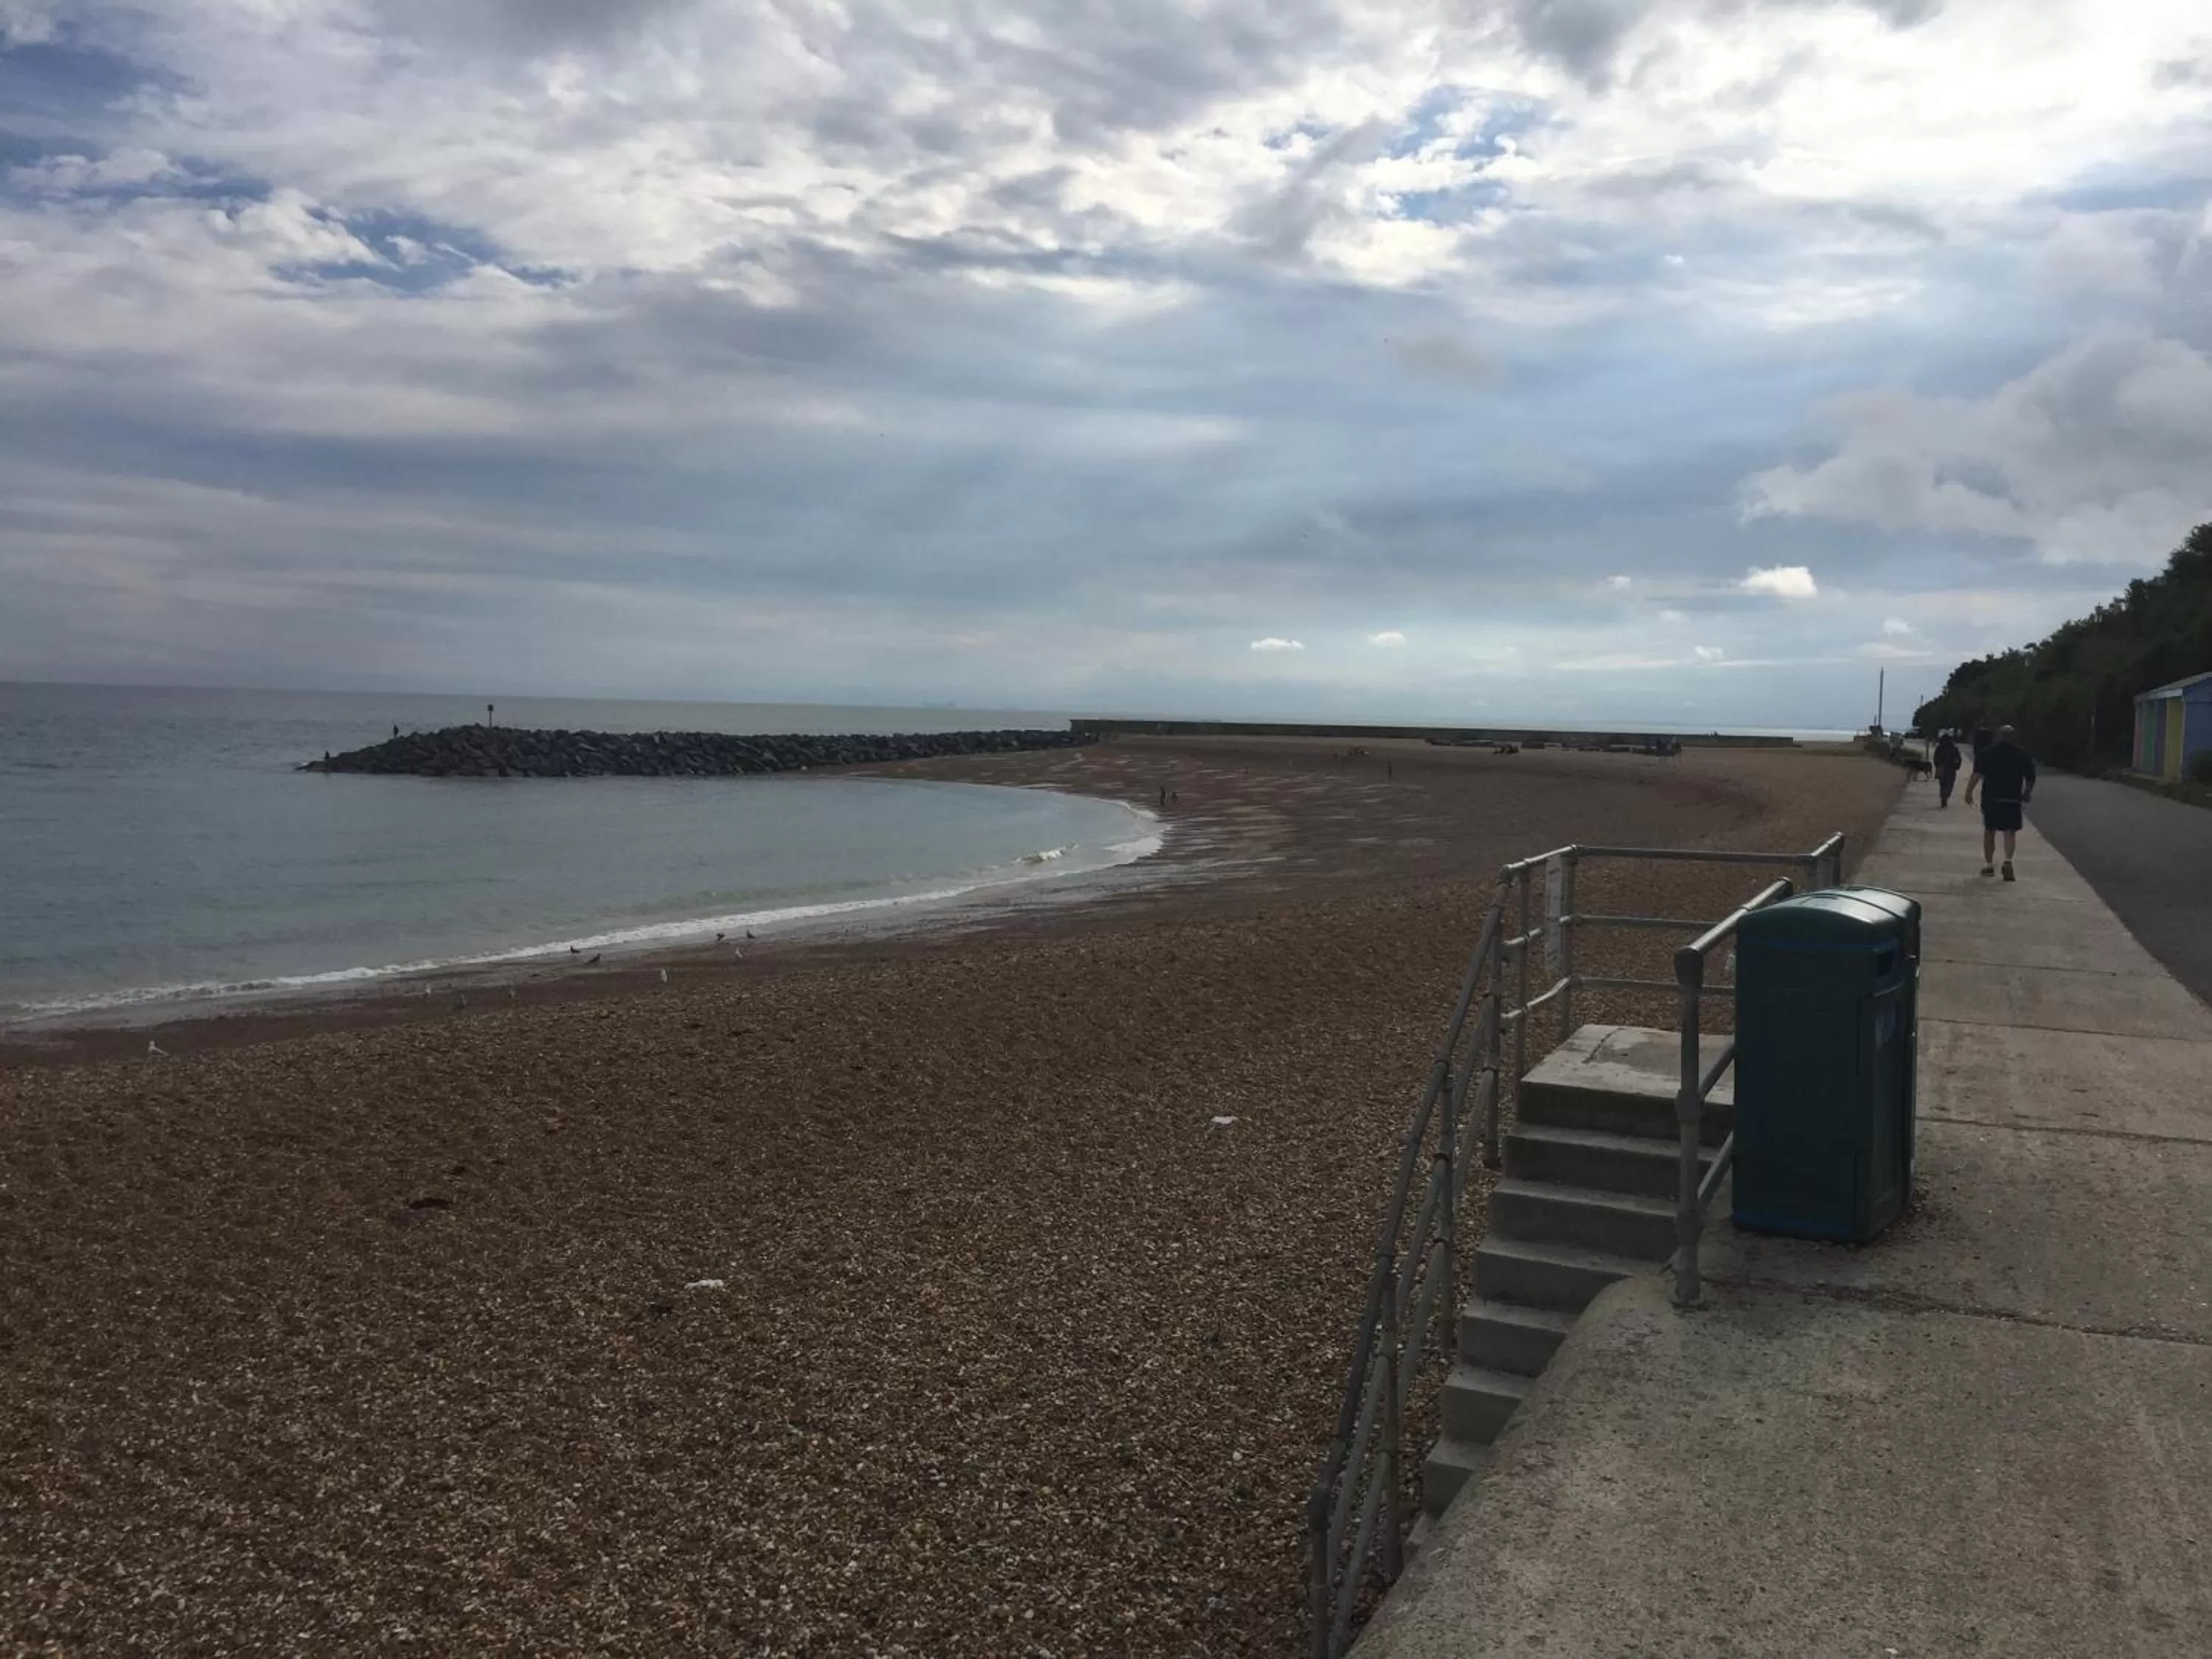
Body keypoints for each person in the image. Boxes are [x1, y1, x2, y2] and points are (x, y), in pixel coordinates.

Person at [1964, 723, 2036, 880]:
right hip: (2012, 798)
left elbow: (1977, 774)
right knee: (2010, 831)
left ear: (1998, 736)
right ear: (2013, 737)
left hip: (1991, 798)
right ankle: (2008, 861)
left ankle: (1989, 866)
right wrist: (2027, 793)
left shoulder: (1987, 753)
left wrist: (1968, 792)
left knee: (1990, 831)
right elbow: (2030, 777)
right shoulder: (2022, 754)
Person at [1933, 730, 1962, 807]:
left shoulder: (1939, 748)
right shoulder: (1954, 748)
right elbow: (1958, 759)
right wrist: (1957, 766)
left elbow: (1935, 758)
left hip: (1941, 768)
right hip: (1951, 769)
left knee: (1942, 784)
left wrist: (1937, 766)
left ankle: (1943, 796)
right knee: (1950, 784)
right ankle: (1946, 795)